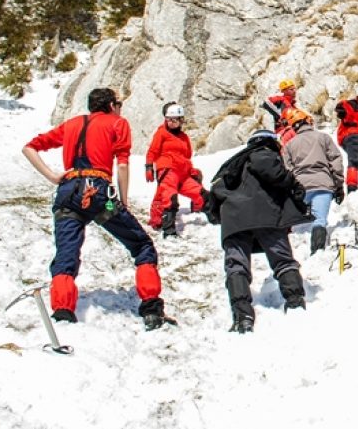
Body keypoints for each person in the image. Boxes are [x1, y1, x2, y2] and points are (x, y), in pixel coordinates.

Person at [21, 87, 170, 330]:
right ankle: (152, 307)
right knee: (141, 245)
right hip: (100, 190)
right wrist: (123, 198)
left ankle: (62, 311)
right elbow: (122, 166)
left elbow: (29, 147)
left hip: (68, 190)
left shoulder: (71, 124)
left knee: (65, 255)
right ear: (111, 105)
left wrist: (52, 176)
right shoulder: (117, 124)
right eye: (118, 104)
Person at [205, 130, 311, 333]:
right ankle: (295, 301)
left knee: (236, 267)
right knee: (282, 259)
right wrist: (294, 185)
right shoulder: (263, 153)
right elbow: (275, 173)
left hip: (234, 221)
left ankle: (242, 316)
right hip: (265, 216)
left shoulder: (233, 164)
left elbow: (213, 200)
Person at [281, 108, 345, 255]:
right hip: (323, 184)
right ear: (308, 121)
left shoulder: (290, 145)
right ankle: (317, 251)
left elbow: (287, 169)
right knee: (320, 219)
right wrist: (338, 184)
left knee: (300, 224)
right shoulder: (323, 138)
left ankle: (297, 252)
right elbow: (335, 160)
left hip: (301, 187)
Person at [145, 102, 205, 237]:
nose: (171, 123)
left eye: (174, 120)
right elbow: (152, 152)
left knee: (202, 194)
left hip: (182, 173)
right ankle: (169, 231)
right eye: (168, 120)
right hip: (167, 170)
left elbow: (187, 155)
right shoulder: (161, 133)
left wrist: (190, 171)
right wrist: (149, 166)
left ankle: (214, 218)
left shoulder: (184, 137)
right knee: (169, 198)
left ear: (181, 120)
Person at [266, 78, 299, 144]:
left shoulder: (293, 105)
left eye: (294, 89)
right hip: (282, 132)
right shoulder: (281, 100)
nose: (294, 91)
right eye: (291, 89)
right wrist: (281, 117)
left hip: (290, 132)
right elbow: (267, 102)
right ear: (284, 91)